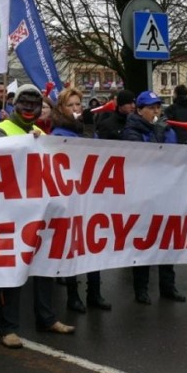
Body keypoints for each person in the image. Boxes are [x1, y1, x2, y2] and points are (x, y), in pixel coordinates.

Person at [0, 84, 75, 349]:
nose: (29, 108)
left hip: (38, 214)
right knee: (13, 272)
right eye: (24, 102)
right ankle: (7, 328)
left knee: (44, 267)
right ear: (14, 104)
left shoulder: (39, 133)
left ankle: (46, 318)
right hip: (10, 215)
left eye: (35, 104)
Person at [50, 89, 111, 313]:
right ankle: (73, 295)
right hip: (71, 198)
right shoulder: (58, 134)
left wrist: (88, 129)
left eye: (78, 104)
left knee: (92, 246)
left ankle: (94, 292)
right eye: (71, 105)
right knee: (73, 248)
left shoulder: (86, 130)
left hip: (90, 197)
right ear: (61, 109)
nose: (76, 109)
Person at [122, 91, 186, 305]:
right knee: (143, 243)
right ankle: (141, 289)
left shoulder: (166, 130)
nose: (156, 111)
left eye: (158, 107)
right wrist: (158, 135)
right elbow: (142, 159)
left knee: (167, 242)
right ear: (139, 111)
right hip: (142, 196)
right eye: (151, 108)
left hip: (165, 193)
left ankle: (168, 286)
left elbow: (173, 157)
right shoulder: (131, 131)